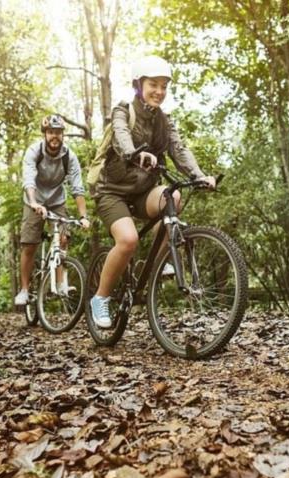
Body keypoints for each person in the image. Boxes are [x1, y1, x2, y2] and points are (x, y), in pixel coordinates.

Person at [88, 55, 216, 329]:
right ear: (139, 85)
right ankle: (100, 297)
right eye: (153, 85)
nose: (159, 91)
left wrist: (199, 175)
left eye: (163, 86)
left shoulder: (164, 122)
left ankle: (155, 265)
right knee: (128, 240)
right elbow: (121, 135)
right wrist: (136, 153)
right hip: (112, 192)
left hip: (142, 192)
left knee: (175, 197)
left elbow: (179, 150)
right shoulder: (124, 111)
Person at [14, 114, 90, 306]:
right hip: (35, 200)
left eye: (58, 132)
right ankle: (24, 290)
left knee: (64, 239)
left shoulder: (69, 157)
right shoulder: (34, 151)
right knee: (29, 244)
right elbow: (29, 180)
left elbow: (77, 187)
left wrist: (83, 216)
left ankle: (60, 283)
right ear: (45, 134)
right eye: (50, 132)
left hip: (57, 201)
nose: (54, 136)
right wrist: (33, 202)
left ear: (63, 134)